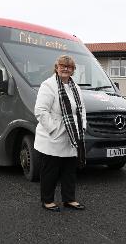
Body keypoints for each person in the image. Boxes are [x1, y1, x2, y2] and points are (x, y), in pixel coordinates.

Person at [34, 55, 86, 212]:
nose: (66, 69)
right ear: (56, 67)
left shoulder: (75, 87)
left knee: (69, 170)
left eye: (69, 67)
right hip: (53, 136)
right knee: (50, 170)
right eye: (63, 66)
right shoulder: (48, 85)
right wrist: (53, 129)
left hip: (71, 136)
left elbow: (82, 110)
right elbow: (40, 111)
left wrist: (82, 128)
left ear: (73, 70)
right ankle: (47, 200)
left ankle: (69, 199)